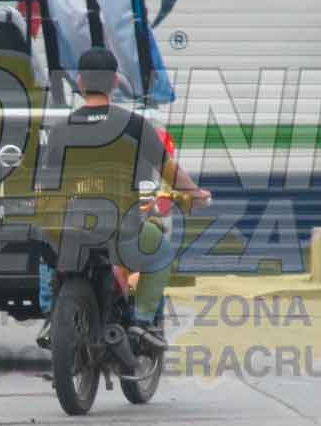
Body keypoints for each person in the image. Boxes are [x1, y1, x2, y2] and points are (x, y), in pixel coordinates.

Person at [34, 47, 210, 349]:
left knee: (48, 249)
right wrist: (195, 194)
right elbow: (169, 170)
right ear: (115, 82)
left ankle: (52, 314)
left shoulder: (61, 131)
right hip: (121, 229)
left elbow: (48, 185)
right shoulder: (136, 126)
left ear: (80, 82)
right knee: (160, 253)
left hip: (72, 227)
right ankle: (143, 322)